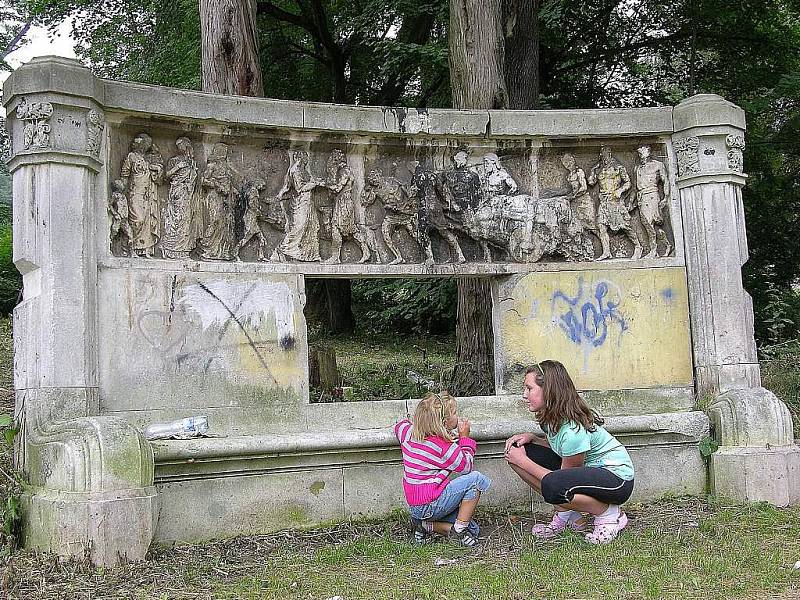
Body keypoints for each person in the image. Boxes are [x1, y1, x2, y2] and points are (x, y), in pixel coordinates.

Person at [504, 361, 634, 544]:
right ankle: (570, 517)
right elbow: (562, 452)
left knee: (553, 486)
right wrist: (534, 439)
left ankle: (609, 514)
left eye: (529, 389)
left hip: (617, 480)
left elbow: (560, 481)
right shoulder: (550, 418)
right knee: (519, 451)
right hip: (590, 471)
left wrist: (524, 461)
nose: (524, 395)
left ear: (549, 391)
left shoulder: (573, 432)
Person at [394, 392, 491, 547]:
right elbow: (466, 466)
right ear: (444, 423)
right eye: (454, 413)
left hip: (416, 506)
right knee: (476, 480)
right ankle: (458, 530)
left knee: (474, 530)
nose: (457, 416)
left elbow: (400, 425)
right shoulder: (442, 447)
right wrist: (464, 438)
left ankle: (424, 526)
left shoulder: (407, 433)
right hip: (431, 504)